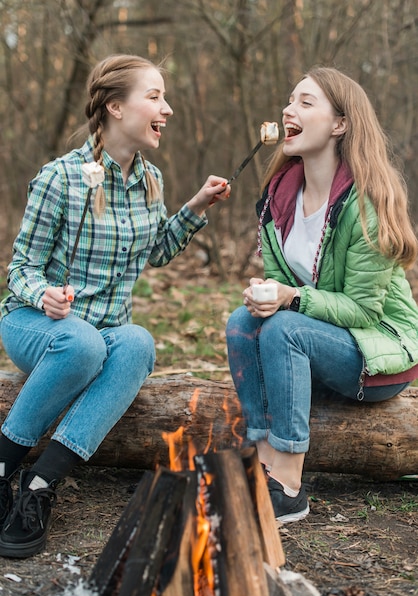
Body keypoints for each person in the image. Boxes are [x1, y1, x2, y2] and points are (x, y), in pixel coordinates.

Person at [0, 53, 230, 558]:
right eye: (154, 97)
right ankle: (2, 464)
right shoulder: (59, 178)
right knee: (81, 343)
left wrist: (194, 208)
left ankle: (39, 486)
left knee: (138, 342)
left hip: (104, 337)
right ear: (115, 108)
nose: (166, 109)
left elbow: (156, 253)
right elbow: (19, 272)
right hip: (37, 325)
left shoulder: (151, 181)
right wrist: (45, 295)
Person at [226, 66, 418, 524]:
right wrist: (267, 295)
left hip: (381, 351)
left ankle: (289, 486)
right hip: (317, 340)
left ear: (340, 124)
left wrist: (290, 298)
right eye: (289, 101)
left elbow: (365, 312)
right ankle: (262, 456)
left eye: (306, 102)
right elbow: (280, 290)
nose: (289, 109)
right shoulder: (278, 197)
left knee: (286, 327)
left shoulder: (366, 200)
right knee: (241, 322)